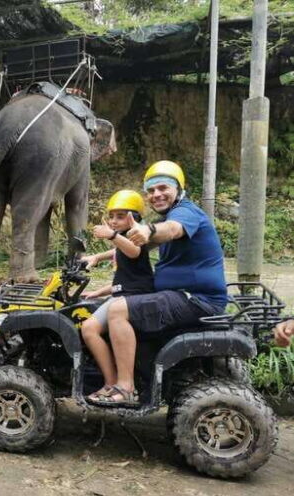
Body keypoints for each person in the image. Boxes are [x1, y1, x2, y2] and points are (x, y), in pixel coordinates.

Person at [82, 160, 228, 406]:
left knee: (118, 309)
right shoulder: (171, 214)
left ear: (179, 188)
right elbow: (132, 247)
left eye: (163, 188)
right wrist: (97, 256)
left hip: (195, 299)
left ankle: (124, 387)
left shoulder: (185, 213)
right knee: (105, 309)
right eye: (150, 190)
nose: (156, 194)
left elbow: (171, 229)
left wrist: (148, 230)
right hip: (179, 296)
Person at [80, 190, 154, 402]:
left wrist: (111, 235)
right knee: (88, 321)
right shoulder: (122, 241)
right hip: (123, 294)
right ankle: (109, 380)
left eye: (120, 216)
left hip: (133, 298)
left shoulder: (136, 238)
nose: (113, 221)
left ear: (134, 218)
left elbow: (133, 251)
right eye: (111, 216)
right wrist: (97, 258)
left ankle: (117, 385)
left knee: (89, 328)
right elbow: (118, 255)